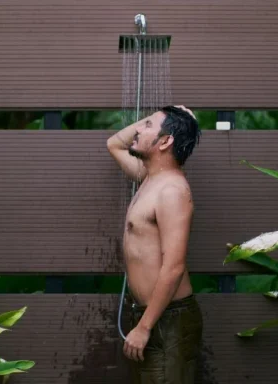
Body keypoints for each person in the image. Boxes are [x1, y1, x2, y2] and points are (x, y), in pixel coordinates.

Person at [106, 105, 203, 383]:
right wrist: (175, 119)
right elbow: (114, 143)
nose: (137, 128)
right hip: (152, 315)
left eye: (147, 125)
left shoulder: (172, 191)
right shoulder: (149, 177)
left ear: (165, 141)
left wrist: (144, 327)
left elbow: (174, 267)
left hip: (168, 320)